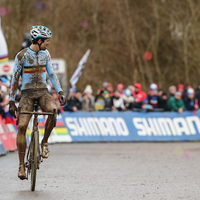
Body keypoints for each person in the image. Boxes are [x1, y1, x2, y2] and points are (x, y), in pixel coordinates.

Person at [9, 25, 66, 180]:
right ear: (39, 41)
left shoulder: (45, 54)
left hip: (42, 92)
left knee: (53, 110)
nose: (49, 43)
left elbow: (52, 74)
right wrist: (12, 101)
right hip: (27, 94)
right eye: (47, 41)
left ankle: (44, 142)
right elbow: (14, 79)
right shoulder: (22, 56)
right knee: (21, 127)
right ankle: (21, 165)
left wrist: (60, 91)